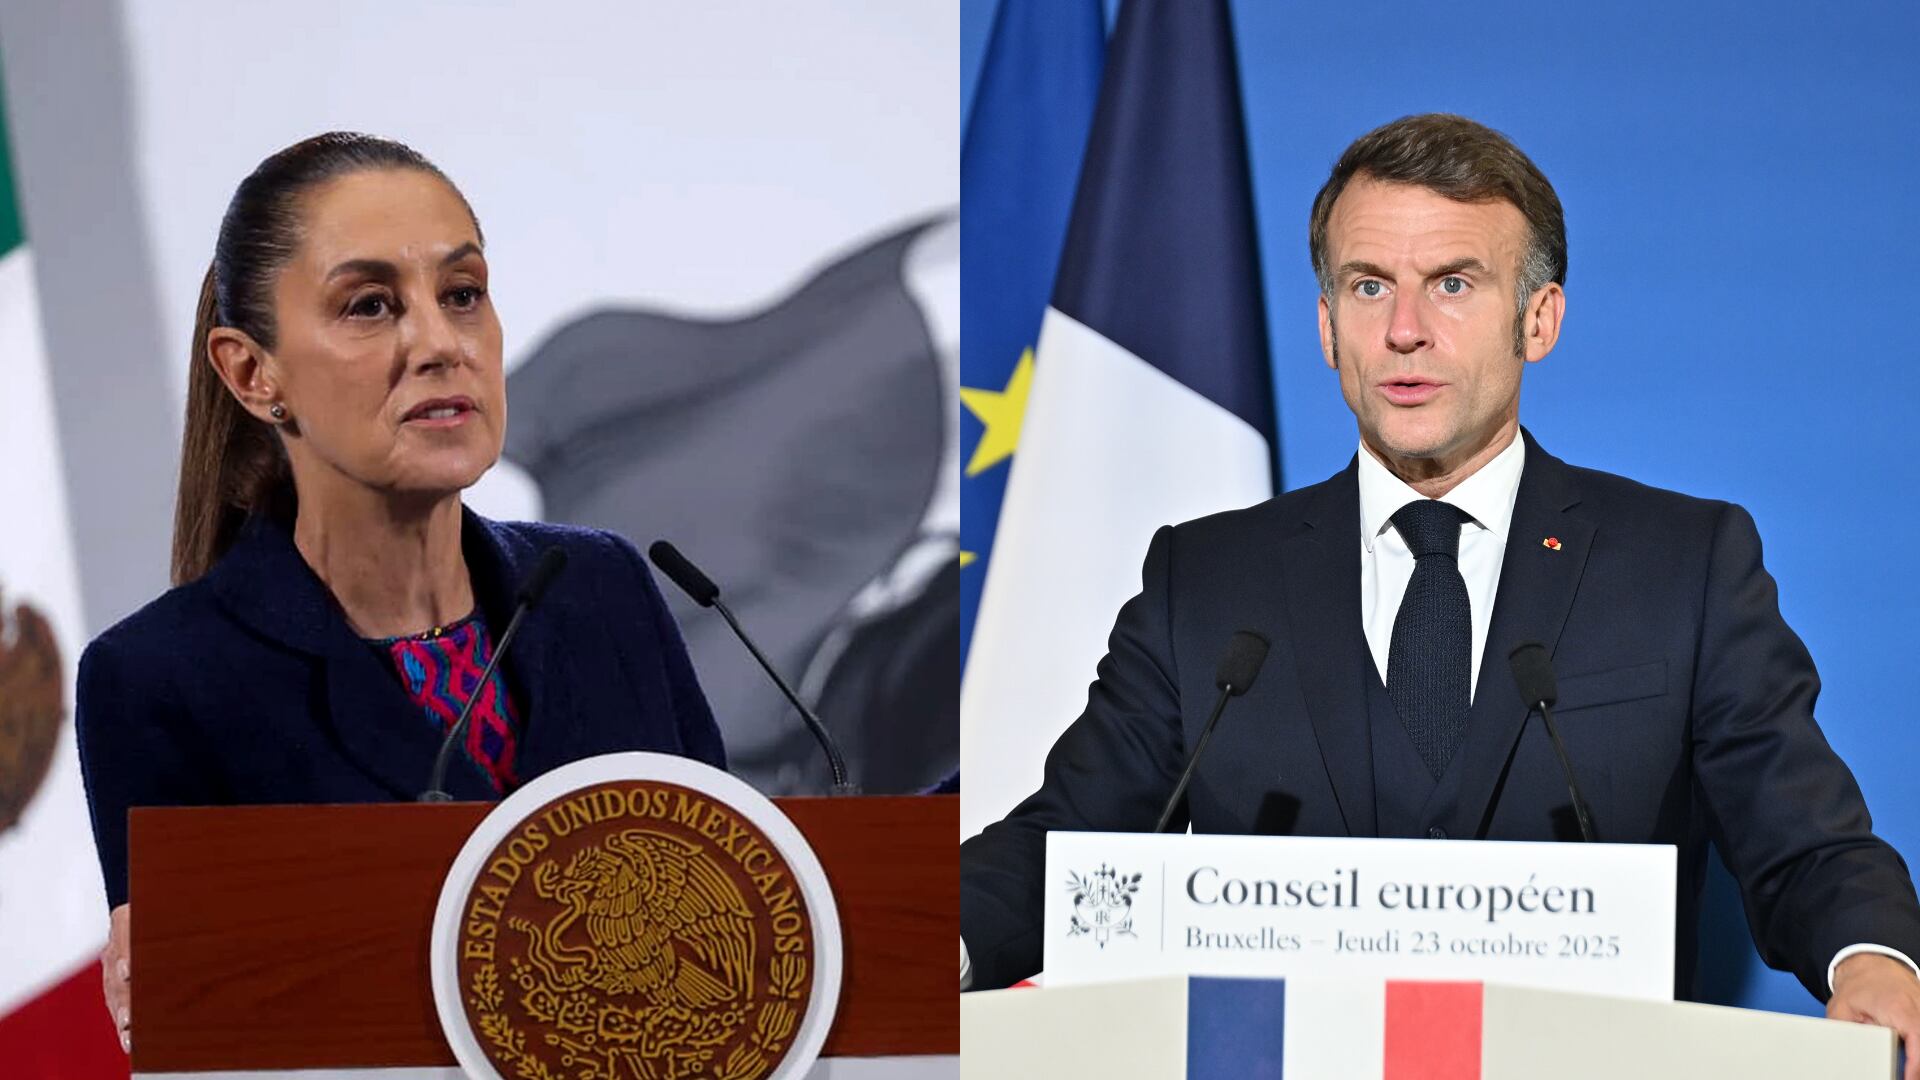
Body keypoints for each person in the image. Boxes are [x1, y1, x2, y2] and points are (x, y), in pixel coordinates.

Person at [958, 114, 1920, 1065]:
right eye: (1369, 286)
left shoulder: (1682, 564)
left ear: (1538, 320)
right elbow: (1063, 848)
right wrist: (935, 941)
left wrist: (1876, 961)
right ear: (1329, 326)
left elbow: (1806, 843)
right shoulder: (1207, 580)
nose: (1406, 331)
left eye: (1453, 284)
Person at [76, 133, 724, 1053]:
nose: (439, 344)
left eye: (462, 295)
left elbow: (734, 904)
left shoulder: (601, 591)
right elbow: (217, 1040)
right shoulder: (163, 681)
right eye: (371, 305)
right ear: (252, 373)